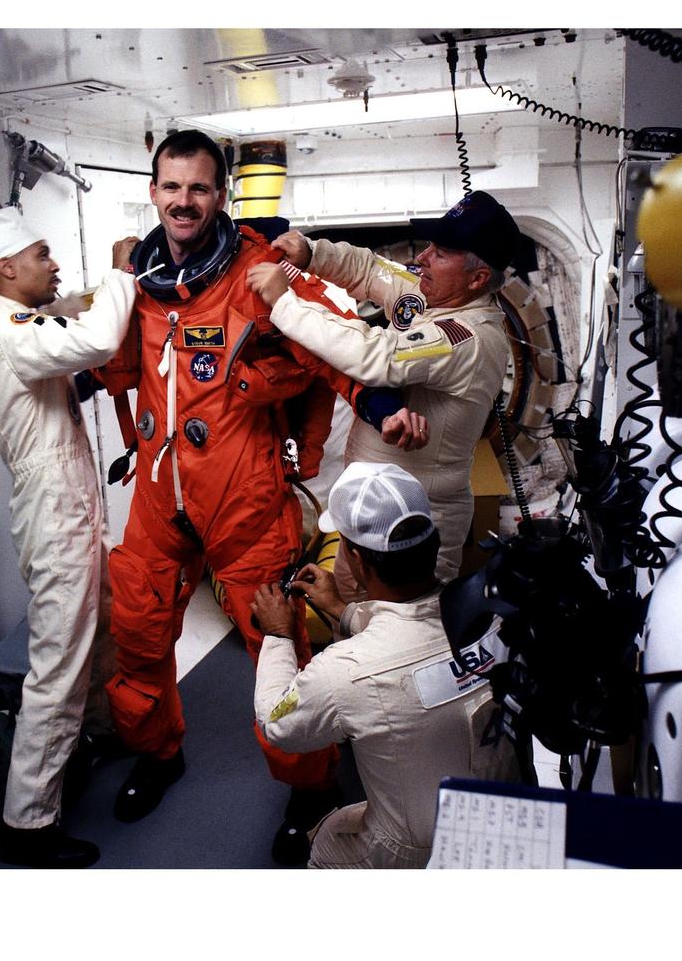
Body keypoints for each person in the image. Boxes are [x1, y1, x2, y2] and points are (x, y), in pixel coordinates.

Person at [93, 130, 425, 864]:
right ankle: (159, 753)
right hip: (159, 497)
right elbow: (96, 350)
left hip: (244, 498)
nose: (184, 202)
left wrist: (381, 408)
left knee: (279, 645)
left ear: (221, 196)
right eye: (172, 187)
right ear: (153, 191)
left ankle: (309, 790)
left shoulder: (260, 273)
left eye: (200, 189)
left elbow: (336, 346)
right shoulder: (133, 281)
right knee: (142, 633)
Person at [0, 207, 139, 868]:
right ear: (8, 268)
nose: (54, 264)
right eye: (43, 254)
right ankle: (28, 827)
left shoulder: (18, 325)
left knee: (97, 632)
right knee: (58, 666)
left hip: (67, 499)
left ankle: (92, 736)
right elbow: (90, 343)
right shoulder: (8, 329)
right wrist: (122, 276)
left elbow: (72, 365)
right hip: (52, 507)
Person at [246, 190, 519, 600]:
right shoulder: (431, 295)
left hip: (416, 524)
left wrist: (284, 303)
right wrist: (311, 253)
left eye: (441, 253)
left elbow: (377, 357)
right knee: (350, 622)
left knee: (396, 640)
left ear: (477, 278)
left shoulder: (469, 337)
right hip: (369, 509)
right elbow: (371, 269)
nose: (424, 258)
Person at [250, 461, 521, 868]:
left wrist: (279, 635)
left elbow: (277, 722)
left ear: (357, 560)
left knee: (323, 841)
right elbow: (413, 630)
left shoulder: (344, 672)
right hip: (508, 814)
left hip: (414, 852)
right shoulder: (495, 613)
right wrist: (341, 611)